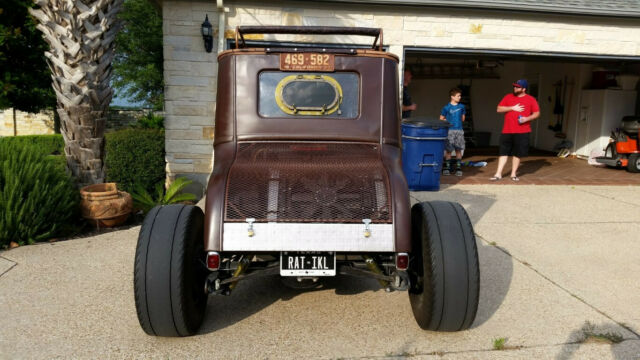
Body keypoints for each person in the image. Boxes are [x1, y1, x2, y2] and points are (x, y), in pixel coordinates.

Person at [491, 79, 540, 181]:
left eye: (517, 87)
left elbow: (537, 113)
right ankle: (498, 174)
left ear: (524, 89)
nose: (515, 88)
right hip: (507, 130)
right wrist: (512, 108)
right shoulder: (508, 97)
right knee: (503, 152)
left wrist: (527, 118)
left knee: (517, 153)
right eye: (514, 86)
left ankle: (513, 174)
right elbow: (498, 109)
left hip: (522, 131)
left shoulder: (531, 99)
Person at [439, 87, 466, 176]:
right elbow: (441, 118)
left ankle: (458, 168)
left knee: (458, 150)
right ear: (452, 97)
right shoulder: (446, 107)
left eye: (460, 96)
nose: (460, 97)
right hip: (449, 131)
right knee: (449, 150)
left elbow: (463, 119)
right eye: (458, 96)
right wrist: (448, 121)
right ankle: (447, 167)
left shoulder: (462, 107)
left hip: (459, 130)